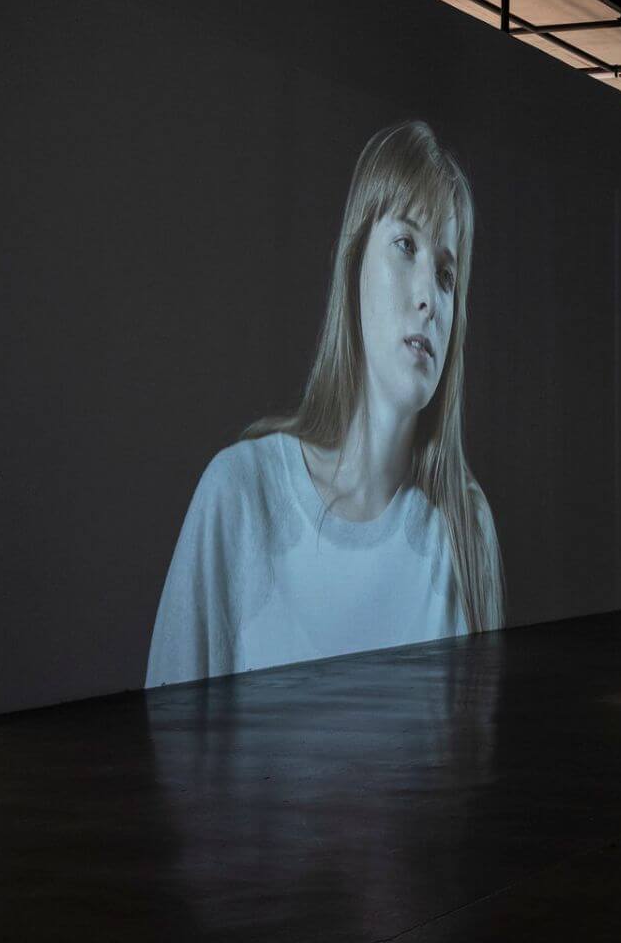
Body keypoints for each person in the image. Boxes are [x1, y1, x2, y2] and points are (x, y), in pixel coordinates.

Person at [146, 121, 503, 687]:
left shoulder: (463, 529)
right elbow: (164, 759)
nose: (427, 298)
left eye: (445, 273)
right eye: (405, 245)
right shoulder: (240, 495)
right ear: (354, 261)